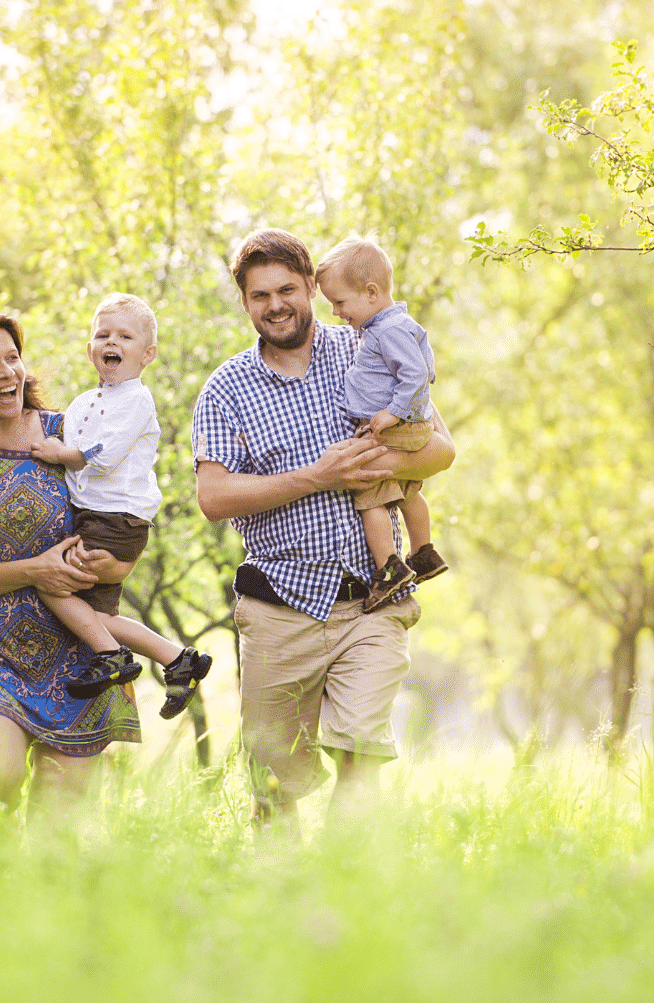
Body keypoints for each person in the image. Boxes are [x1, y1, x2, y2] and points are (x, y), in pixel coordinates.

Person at [192, 229, 456, 819]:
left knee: (362, 754)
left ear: (312, 287)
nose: (276, 304)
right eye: (259, 296)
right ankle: (282, 898)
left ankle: (347, 888)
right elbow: (213, 496)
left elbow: (442, 450)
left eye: (287, 288)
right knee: (273, 789)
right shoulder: (225, 390)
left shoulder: (370, 343)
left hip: (372, 599)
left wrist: (372, 463)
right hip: (280, 606)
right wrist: (317, 476)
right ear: (245, 304)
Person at [0, 312, 138, 810]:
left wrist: (104, 567)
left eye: (12, 358)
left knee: (53, 844)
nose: (7, 372)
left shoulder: (69, 437)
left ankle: (16, 885)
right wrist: (34, 570)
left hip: (83, 657)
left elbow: (125, 533)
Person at [28, 293, 212, 718]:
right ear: (90, 348)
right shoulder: (85, 401)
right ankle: (178, 660)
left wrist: (61, 455)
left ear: (147, 354)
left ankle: (113, 659)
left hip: (115, 520)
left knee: (50, 584)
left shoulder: (136, 400)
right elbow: (63, 434)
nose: (112, 341)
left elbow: (101, 454)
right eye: (102, 334)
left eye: (125, 336)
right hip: (93, 516)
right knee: (92, 616)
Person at [314, 237, 449, 611]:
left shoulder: (387, 330)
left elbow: (417, 373)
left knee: (368, 490)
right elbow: (427, 366)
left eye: (340, 302)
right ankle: (424, 552)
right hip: (408, 424)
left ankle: (389, 567)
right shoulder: (394, 324)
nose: (337, 312)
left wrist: (394, 411)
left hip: (396, 425)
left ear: (371, 292)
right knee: (405, 489)